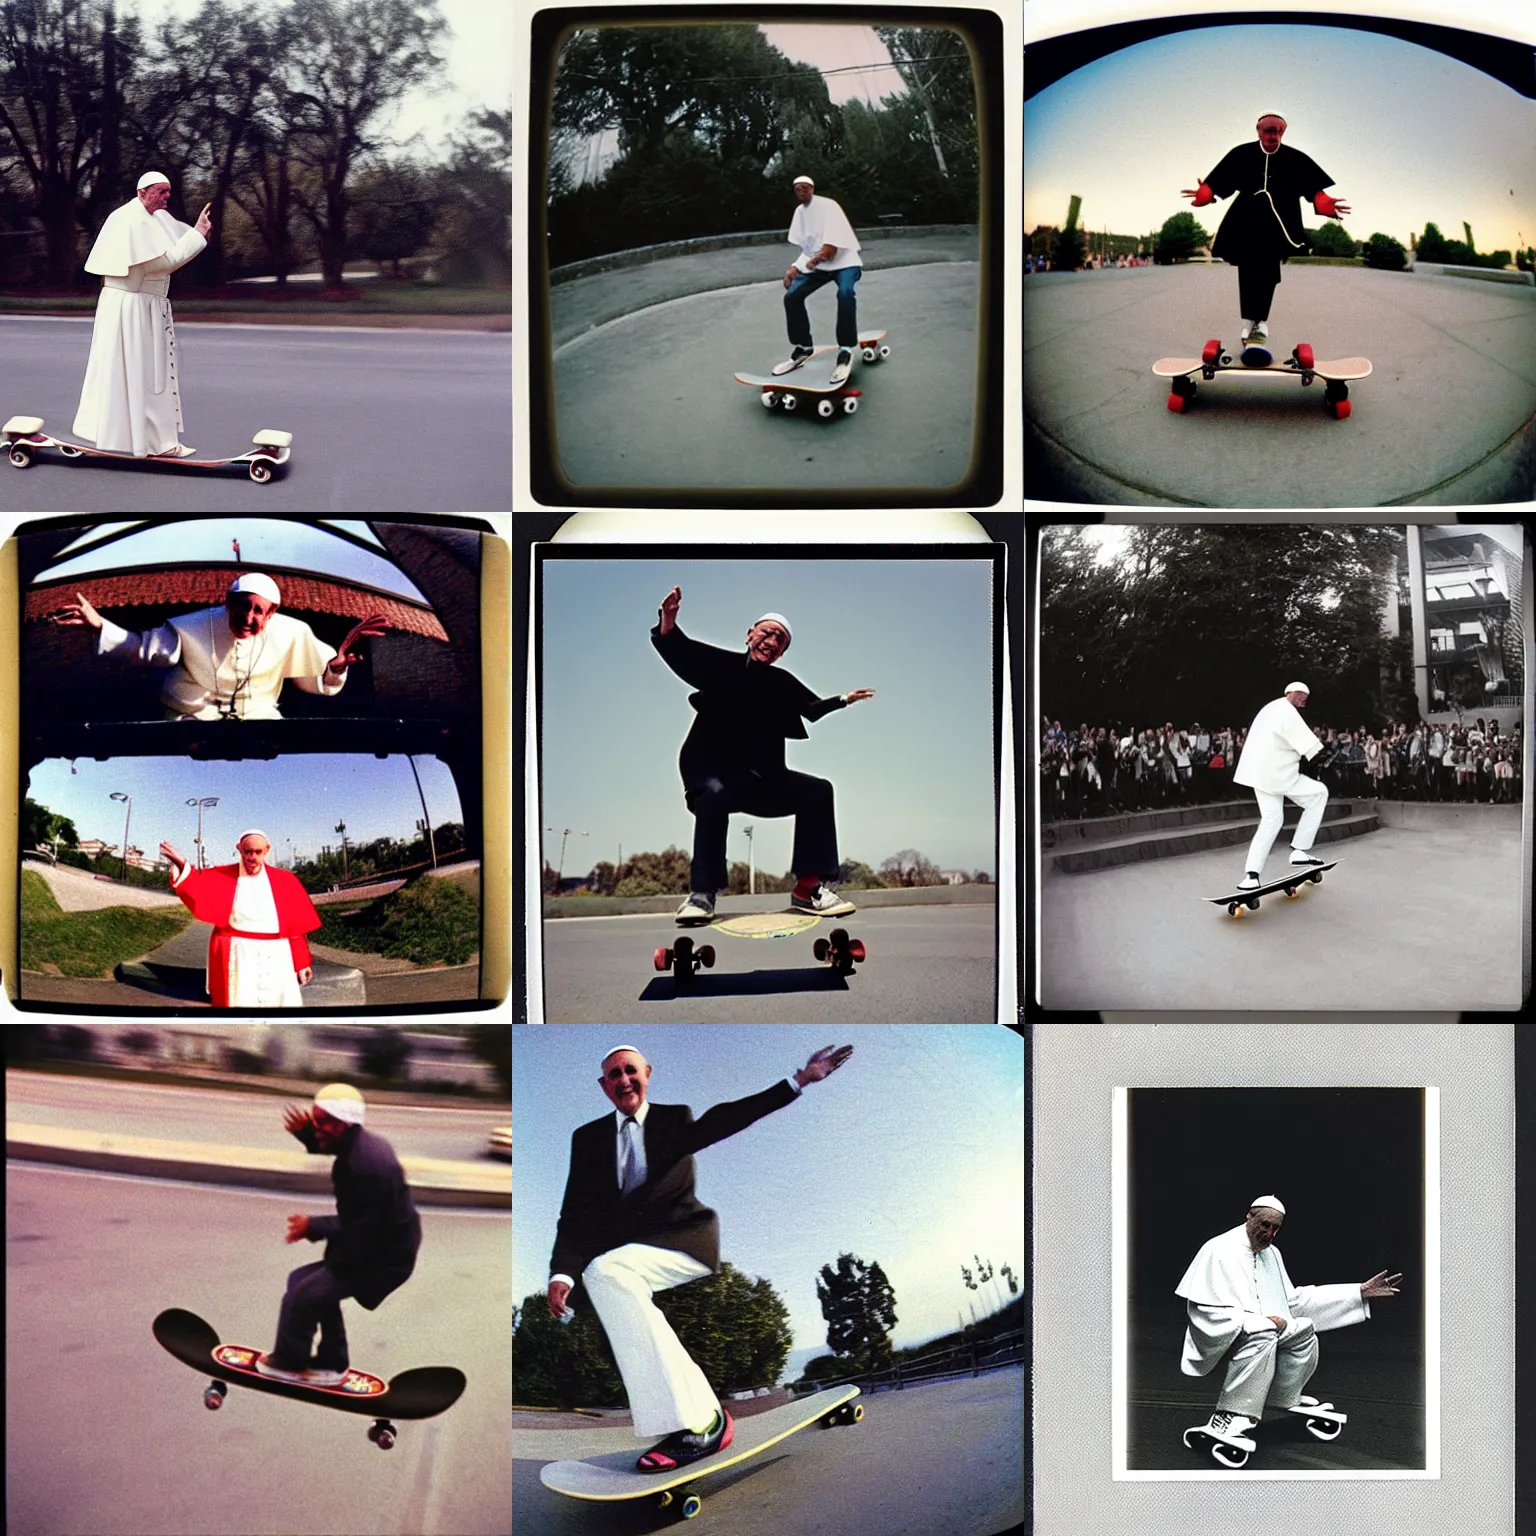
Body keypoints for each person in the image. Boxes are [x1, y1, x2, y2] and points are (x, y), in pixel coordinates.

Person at [547, 1043, 854, 1471]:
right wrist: (561, 1272)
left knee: (606, 1271)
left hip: (684, 1241)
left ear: (647, 1074)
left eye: (630, 1071)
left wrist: (798, 1081)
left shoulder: (674, 1120)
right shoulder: (588, 1140)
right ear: (604, 1086)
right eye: (614, 1076)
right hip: (628, 1254)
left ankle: (702, 1422)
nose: (624, 1081)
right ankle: (691, 1417)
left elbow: (725, 1119)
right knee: (604, 1277)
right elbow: (574, 1212)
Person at [650, 584, 875, 925]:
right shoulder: (722, 666)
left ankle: (808, 888)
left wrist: (843, 698)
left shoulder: (781, 682)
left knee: (818, 791)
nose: (772, 642)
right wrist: (668, 619)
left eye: (780, 641)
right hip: (711, 773)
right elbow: (683, 653)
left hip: (759, 781)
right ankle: (702, 894)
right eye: (768, 634)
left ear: (782, 653)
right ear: (750, 634)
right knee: (713, 794)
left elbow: (811, 708)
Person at [1176, 1197, 1401, 1454]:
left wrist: (1357, 1292)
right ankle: (1229, 1414)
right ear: (1248, 1217)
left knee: (1304, 1329)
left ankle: (1282, 1395)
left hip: (1265, 1331)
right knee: (1264, 1332)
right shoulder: (1218, 1249)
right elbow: (1203, 1310)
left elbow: (1292, 1301)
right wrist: (1256, 1321)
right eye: (1264, 1225)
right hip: (1227, 1332)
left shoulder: (1272, 1253)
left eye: (1276, 1228)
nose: (1269, 1233)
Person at [51, 572, 387, 720]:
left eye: (259, 610)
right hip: (191, 713)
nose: (249, 617)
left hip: (258, 715)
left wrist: (335, 669)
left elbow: (309, 681)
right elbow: (143, 650)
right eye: (242, 606)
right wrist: (100, 625)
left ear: (272, 613)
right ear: (228, 603)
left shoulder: (292, 632)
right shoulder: (193, 624)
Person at [258, 1084, 422, 1384]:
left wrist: (313, 1226)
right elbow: (359, 1224)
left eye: (322, 1121)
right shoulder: (356, 1145)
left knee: (304, 1296)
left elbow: (361, 1234)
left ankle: (290, 1362)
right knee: (301, 1281)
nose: (315, 1125)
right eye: (314, 1118)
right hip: (374, 1240)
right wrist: (308, 1134)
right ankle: (334, 1359)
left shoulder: (365, 1167)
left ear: (345, 1123)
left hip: (384, 1256)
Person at [1181, 115, 1352, 365]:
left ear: (1283, 131)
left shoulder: (1295, 159)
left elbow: (1314, 189)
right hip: (1246, 221)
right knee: (1249, 269)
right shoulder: (1241, 154)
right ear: (1258, 130)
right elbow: (1218, 181)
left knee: (1268, 271)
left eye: (1278, 131)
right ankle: (1250, 324)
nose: (1273, 136)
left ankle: (1258, 324)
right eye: (1268, 131)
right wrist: (1207, 193)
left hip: (1278, 226)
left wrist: (1323, 203)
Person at [74, 172, 213, 457]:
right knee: (140, 376)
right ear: (142, 192)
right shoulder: (128, 220)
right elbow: (168, 261)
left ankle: (156, 441)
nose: (166, 197)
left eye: (168, 192)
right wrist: (199, 234)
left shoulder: (157, 218)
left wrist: (196, 230)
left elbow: (176, 241)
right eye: (161, 192)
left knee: (152, 377)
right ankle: (146, 442)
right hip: (129, 308)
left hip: (145, 307)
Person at [158, 830, 323, 1007]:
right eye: (247, 851)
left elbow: (295, 927)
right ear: (239, 849)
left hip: (278, 955)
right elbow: (197, 885)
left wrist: (302, 963)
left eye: (258, 852)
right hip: (238, 955)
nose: (252, 857)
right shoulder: (223, 875)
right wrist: (181, 863)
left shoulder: (286, 880)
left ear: (267, 850)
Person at [1231, 681, 1328, 892]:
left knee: (1272, 819)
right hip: (1280, 776)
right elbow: (1309, 745)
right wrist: (1319, 753)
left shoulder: (1270, 709)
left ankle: (1251, 875)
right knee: (1319, 793)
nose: (1304, 698)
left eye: (1306, 696)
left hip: (1262, 776)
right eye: (1301, 694)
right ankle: (1299, 850)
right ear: (1290, 693)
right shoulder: (1285, 710)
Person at [774, 175, 864, 385]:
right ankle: (803, 347)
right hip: (820, 267)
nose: (801, 192)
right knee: (792, 296)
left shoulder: (829, 206)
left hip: (846, 263)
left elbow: (830, 249)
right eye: (797, 189)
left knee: (845, 294)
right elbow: (808, 249)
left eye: (805, 188)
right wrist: (794, 268)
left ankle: (845, 350)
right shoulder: (800, 213)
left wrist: (817, 258)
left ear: (812, 188)